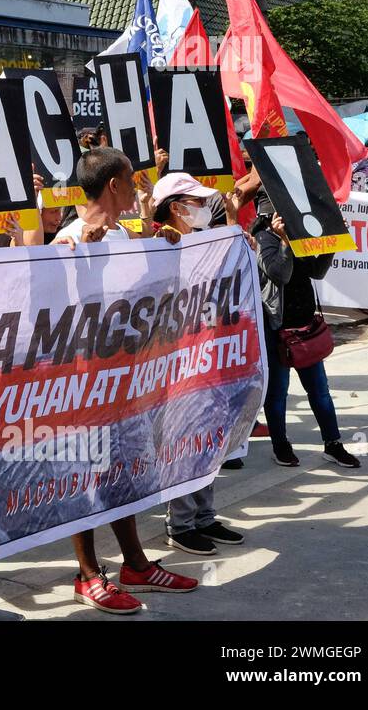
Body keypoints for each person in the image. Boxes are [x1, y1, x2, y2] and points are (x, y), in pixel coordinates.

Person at [51, 147, 198, 613]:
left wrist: (162, 248)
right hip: (83, 387)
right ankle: (89, 574)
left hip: (124, 383)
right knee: (84, 479)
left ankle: (135, 563)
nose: (138, 187)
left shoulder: (124, 233)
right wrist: (78, 257)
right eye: (131, 179)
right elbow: (49, 305)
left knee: (124, 475)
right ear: (113, 184)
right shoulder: (71, 237)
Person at [150, 173, 247, 555]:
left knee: (207, 440)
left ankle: (204, 517)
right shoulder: (158, 242)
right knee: (183, 442)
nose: (205, 208)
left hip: (207, 358)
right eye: (197, 202)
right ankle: (181, 523)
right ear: (176, 208)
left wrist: (238, 233)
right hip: (175, 366)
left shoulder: (203, 242)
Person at [253, 193, 361, 469]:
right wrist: (286, 243)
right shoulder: (262, 239)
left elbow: (317, 271)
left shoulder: (300, 234)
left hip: (305, 329)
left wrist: (331, 242)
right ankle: (281, 445)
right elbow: (279, 273)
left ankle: (333, 444)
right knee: (277, 394)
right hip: (277, 332)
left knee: (320, 391)